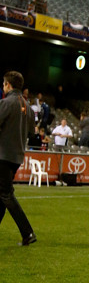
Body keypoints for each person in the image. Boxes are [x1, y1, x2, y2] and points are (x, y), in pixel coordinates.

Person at [0, 71, 36, 246]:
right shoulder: (28, 107)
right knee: (2, 194)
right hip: (17, 156)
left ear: (8, 85)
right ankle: (27, 232)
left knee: (6, 194)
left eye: (4, 84)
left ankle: (27, 232)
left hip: (3, 155)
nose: (3, 87)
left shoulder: (6, 103)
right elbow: (32, 132)